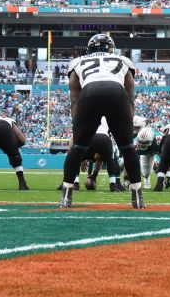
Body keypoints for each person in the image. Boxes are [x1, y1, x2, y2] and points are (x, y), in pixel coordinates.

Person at [57, 33, 145, 209]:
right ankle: (137, 196)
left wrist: (78, 126)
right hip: (116, 93)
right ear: (111, 48)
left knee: (77, 149)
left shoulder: (77, 62)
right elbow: (130, 96)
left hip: (89, 93)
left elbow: (75, 97)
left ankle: (66, 195)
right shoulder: (123, 60)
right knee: (127, 148)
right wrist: (126, 123)